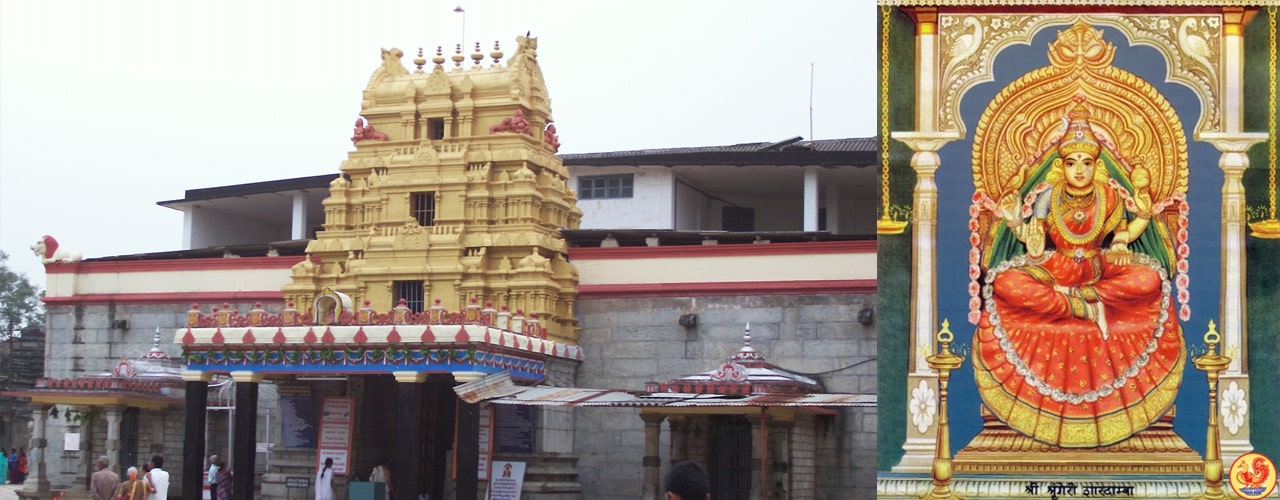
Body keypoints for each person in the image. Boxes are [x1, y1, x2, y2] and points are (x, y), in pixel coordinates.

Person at [975, 98, 1184, 448]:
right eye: (1072, 163)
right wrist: (1019, 227)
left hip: (1099, 268)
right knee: (1006, 282)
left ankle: (1081, 299)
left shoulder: (1109, 196)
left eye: (1087, 163)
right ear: (1061, 166)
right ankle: (1081, 306)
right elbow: (1036, 243)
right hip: (1055, 270)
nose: (1080, 171)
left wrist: (1141, 220)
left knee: (1149, 279)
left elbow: (1123, 236)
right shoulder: (1048, 196)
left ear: (1096, 165)